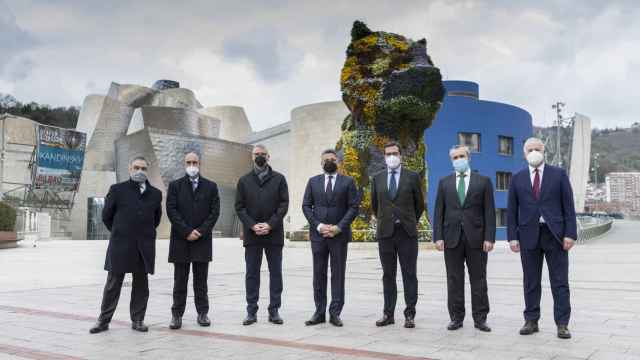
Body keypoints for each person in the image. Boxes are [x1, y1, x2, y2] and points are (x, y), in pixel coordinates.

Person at [507, 137, 577, 339]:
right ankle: (531, 320)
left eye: (537, 149)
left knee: (560, 282)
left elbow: (569, 207)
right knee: (530, 281)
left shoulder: (559, 175)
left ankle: (562, 323)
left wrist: (570, 234)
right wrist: (513, 237)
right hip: (528, 235)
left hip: (555, 235)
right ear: (524, 153)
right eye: (530, 149)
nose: (534, 152)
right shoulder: (517, 178)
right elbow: (512, 211)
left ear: (544, 151)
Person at [89, 156, 162, 334]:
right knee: (113, 284)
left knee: (141, 284)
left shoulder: (155, 194)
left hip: (143, 246)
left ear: (148, 171)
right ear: (130, 168)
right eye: (136, 167)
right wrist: (120, 231)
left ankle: (138, 320)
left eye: (143, 168)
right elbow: (107, 216)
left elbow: (156, 219)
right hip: (121, 244)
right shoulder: (117, 190)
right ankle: (103, 320)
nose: (140, 171)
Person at [433, 145, 496, 332]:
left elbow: (489, 212)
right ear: (451, 160)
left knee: (479, 279)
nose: (458, 159)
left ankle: (480, 318)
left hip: (476, 238)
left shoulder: (483, 181)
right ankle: (456, 317)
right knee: (454, 280)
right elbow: (438, 212)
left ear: (468, 158)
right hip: (451, 238)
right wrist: (438, 236)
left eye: (461, 156)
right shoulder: (444, 183)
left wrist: (489, 237)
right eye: (455, 157)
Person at [302, 149, 360, 327]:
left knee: (338, 274)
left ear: (338, 162)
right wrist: (318, 226)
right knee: (318, 274)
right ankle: (319, 312)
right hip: (318, 236)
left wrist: (338, 227)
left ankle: (335, 312)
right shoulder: (313, 182)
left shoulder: (348, 181)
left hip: (338, 236)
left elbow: (353, 207)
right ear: (321, 163)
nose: (329, 161)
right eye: (326, 159)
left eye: (332, 159)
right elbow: (306, 206)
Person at [371, 141, 425, 329]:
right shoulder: (377, 178)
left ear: (400, 155)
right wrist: (386, 219)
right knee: (388, 275)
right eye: (388, 154)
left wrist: (408, 220)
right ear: (384, 157)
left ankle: (410, 314)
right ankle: (388, 313)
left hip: (406, 233)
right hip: (385, 233)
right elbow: (374, 205)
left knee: (409, 274)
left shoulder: (412, 177)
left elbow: (420, 205)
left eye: (394, 153)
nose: (391, 156)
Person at [235, 144, 289, 326]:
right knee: (252, 273)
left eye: (263, 154)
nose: (260, 157)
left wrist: (270, 224)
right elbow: (239, 207)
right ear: (252, 157)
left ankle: (274, 311)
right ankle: (251, 311)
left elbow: (284, 204)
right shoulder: (243, 181)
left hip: (273, 235)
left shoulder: (279, 179)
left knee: (276, 273)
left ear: (268, 156)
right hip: (252, 235)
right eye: (257, 154)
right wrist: (252, 225)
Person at [167, 151, 220, 330]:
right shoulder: (175, 186)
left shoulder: (211, 187)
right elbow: (171, 211)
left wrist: (200, 231)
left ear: (200, 164)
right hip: (181, 241)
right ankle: (176, 315)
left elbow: (214, 212)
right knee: (179, 281)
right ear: (184, 164)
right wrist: (187, 231)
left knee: (201, 281)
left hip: (202, 241)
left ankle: (203, 313)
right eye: (188, 162)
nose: (192, 165)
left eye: (194, 162)